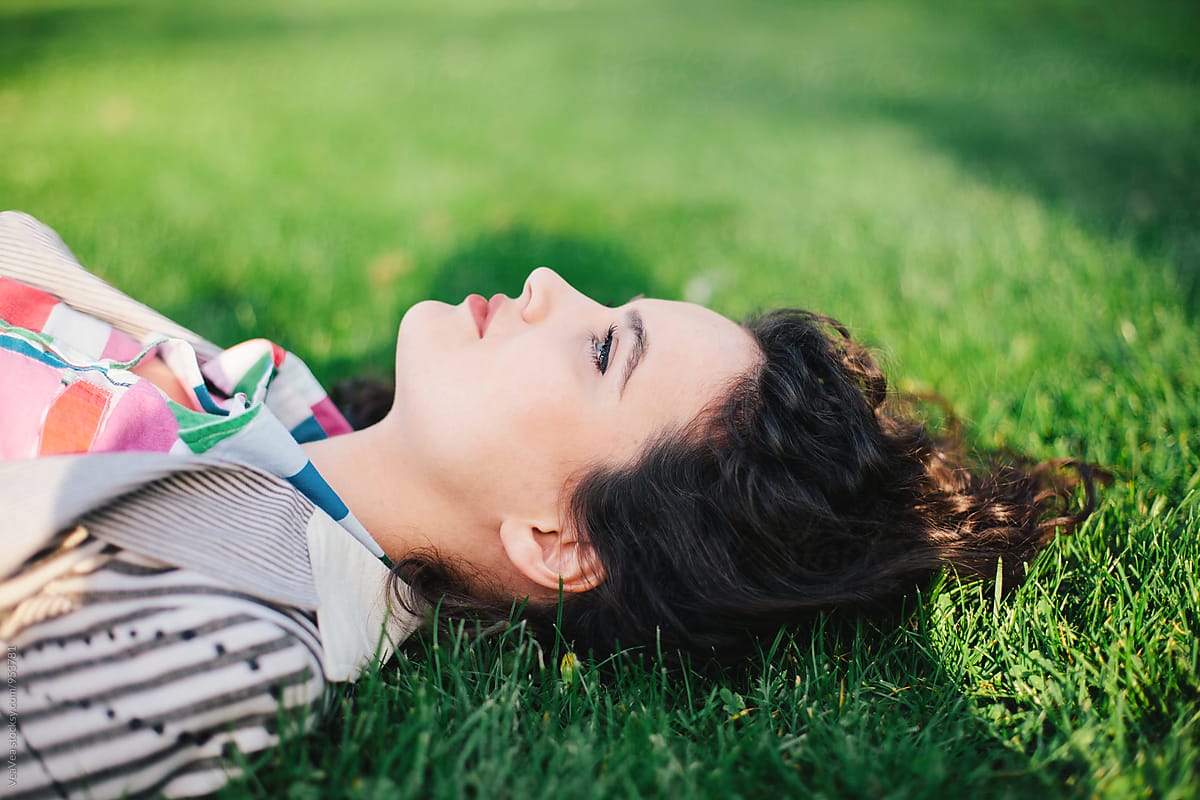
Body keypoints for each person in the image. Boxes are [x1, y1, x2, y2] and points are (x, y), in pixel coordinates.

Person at [0, 211, 1097, 798]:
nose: (544, 285)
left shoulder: (239, 639)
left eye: (604, 346)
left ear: (559, 538)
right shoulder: (276, 413)